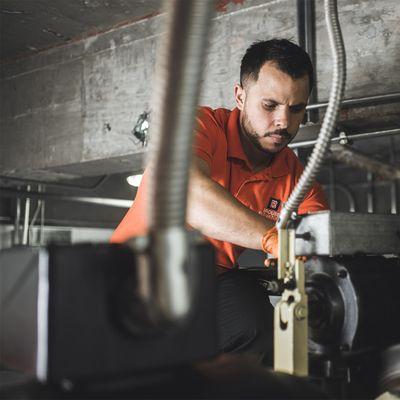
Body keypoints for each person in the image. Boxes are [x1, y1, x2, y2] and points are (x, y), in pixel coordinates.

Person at [111, 39, 328, 364]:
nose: (284, 122)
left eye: (296, 109)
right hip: (135, 273)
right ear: (240, 96)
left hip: (211, 280)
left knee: (257, 327)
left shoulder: (295, 177)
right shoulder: (199, 126)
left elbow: (325, 244)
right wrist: (274, 239)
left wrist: (375, 297)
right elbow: (188, 196)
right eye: (269, 106)